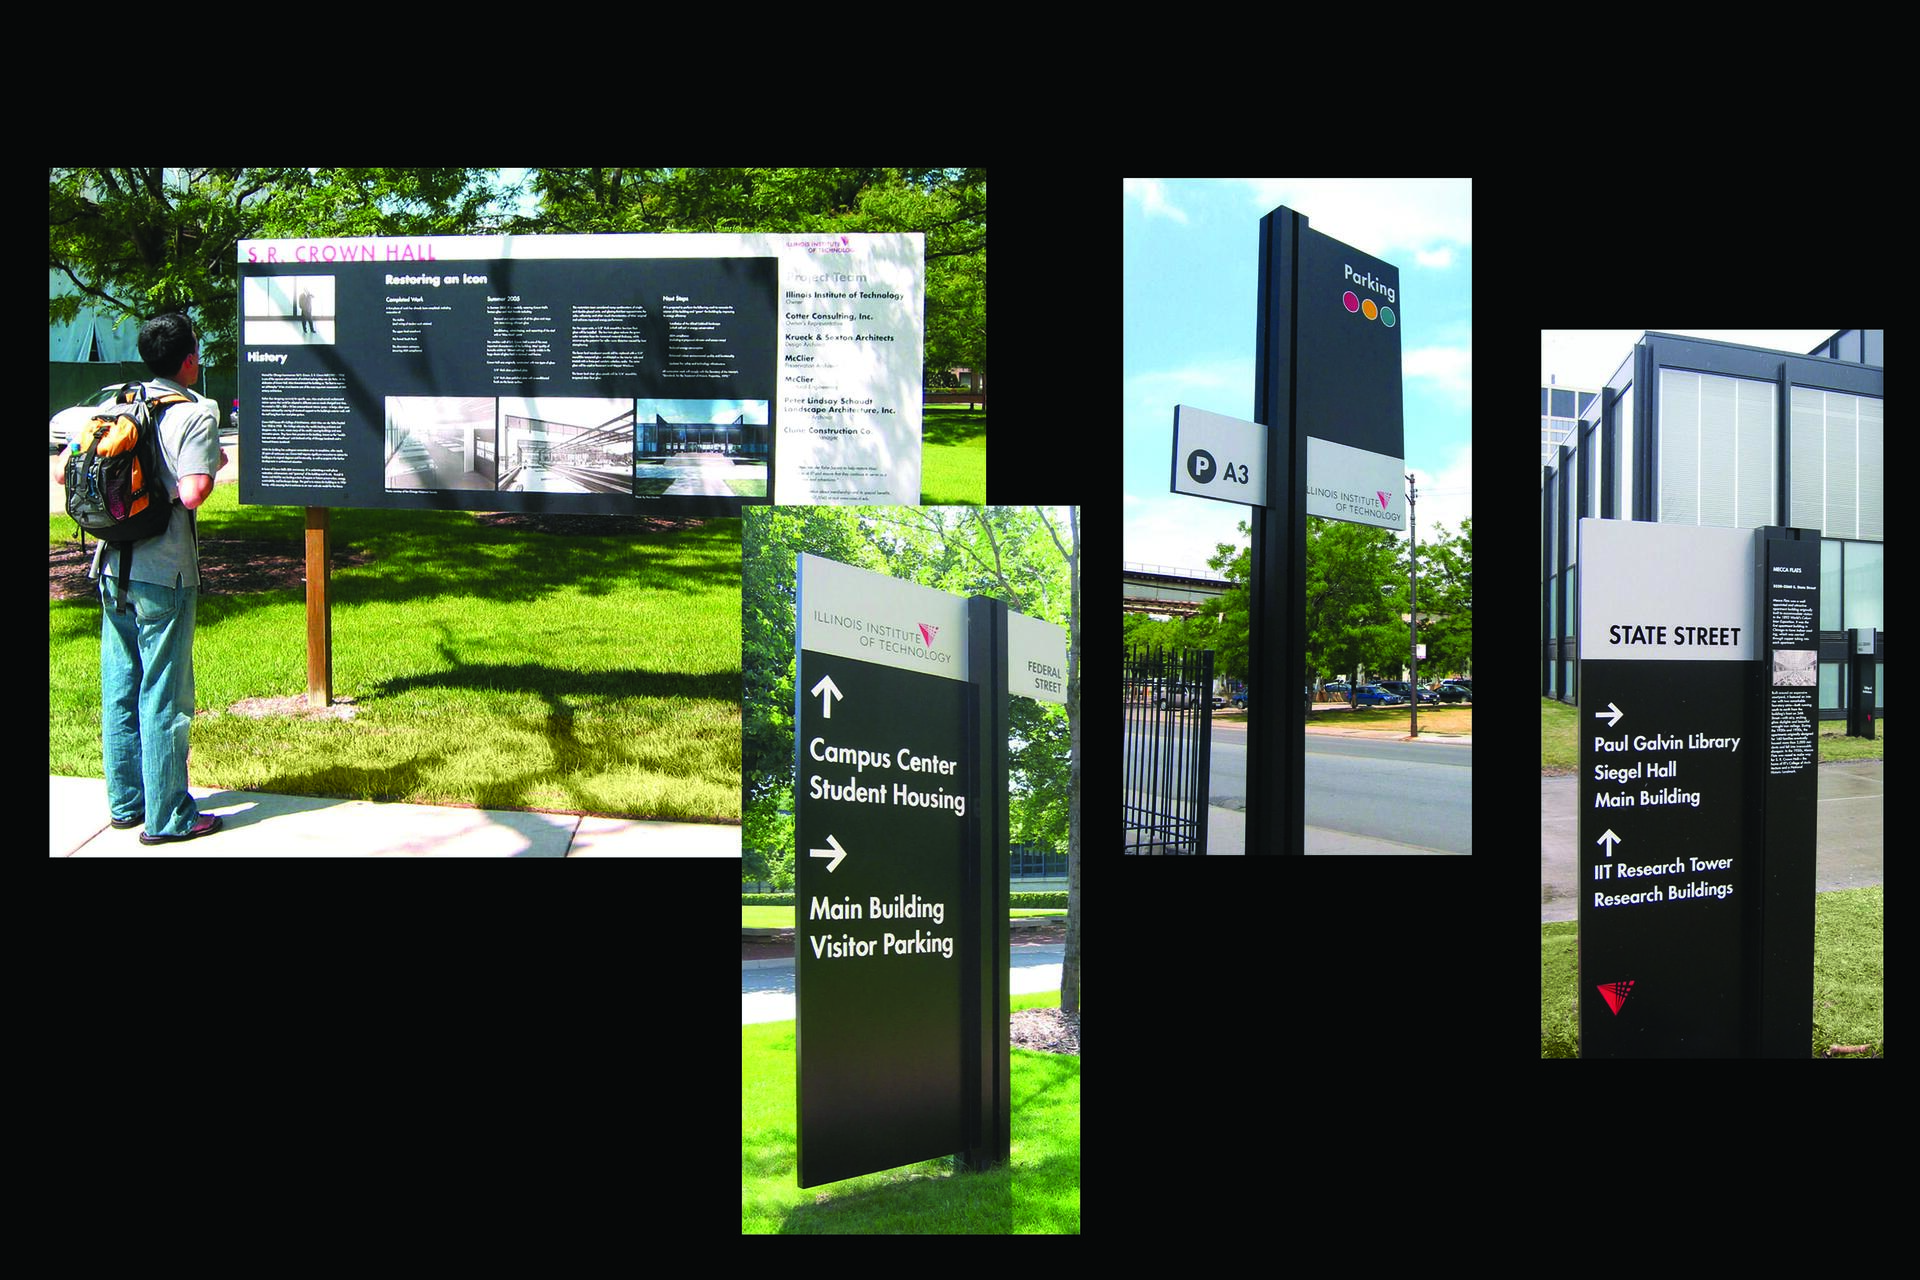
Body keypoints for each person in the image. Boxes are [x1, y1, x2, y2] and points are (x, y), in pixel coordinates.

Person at [54, 313, 228, 844]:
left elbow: (63, 471)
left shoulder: (115, 405)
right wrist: (194, 474)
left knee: (121, 684)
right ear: (189, 359)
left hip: (110, 566)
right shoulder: (194, 413)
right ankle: (170, 815)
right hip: (164, 571)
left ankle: (127, 804)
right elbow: (195, 490)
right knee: (165, 694)